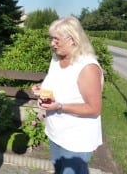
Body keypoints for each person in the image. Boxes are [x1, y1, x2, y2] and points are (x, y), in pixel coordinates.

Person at [31, 16, 104, 174]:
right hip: (56, 133)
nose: (52, 44)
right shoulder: (57, 58)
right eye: (52, 39)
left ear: (72, 39)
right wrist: (42, 87)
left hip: (76, 140)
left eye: (56, 40)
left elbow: (94, 108)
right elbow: (56, 80)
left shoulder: (87, 67)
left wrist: (60, 106)